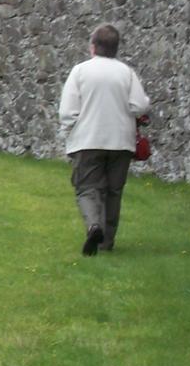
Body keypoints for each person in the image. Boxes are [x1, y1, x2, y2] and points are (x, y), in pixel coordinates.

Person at [58, 22, 150, 257]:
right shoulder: (126, 72)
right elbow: (139, 105)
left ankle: (93, 225)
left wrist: (68, 132)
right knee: (113, 191)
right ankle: (106, 242)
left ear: (93, 47)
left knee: (87, 188)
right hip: (120, 141)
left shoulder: (80, 71)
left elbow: (68, 112)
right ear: (115, 48)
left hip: (88, 140)